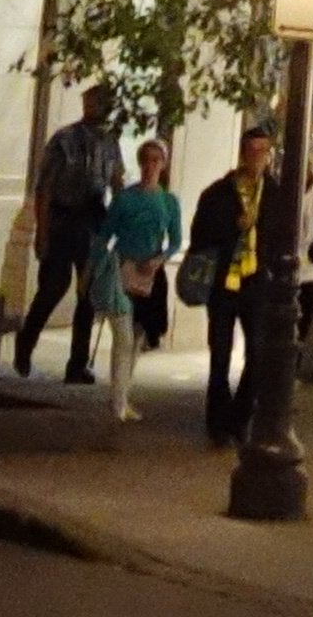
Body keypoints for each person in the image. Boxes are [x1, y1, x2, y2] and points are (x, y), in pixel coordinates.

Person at [14, 81, 122, 382]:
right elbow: (45, 189)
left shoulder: (110, 141)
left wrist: (122, 221)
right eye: (92, 101)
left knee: (87, 294)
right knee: (52, 287)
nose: (96, 107)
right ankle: (26, 341)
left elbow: (116, 182)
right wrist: (42, 232)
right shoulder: (65, 139)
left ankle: (77, 363)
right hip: (63, 220)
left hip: (92, 222)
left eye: (102, 102)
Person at [191, 119, 273, 449]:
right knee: (220, 355)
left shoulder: (277, 194)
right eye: (252, 151)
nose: (257, 158)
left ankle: (240, 418)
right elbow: (200, 238)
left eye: (263, 152)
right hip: (224, 284)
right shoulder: (218, 194)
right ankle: (218, 424)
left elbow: (283, 237)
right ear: (242, 154)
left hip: (257, 283)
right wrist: (233, 227)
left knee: (259, 352)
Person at [98, 132, 184, 422]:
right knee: (122, 337)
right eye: (146, 160)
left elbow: (175, 240)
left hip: (150, 274)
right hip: (122, 269)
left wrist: (159, 260)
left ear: (164, 164)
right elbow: (105, 235)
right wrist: (100, 267)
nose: (151, 166)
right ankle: (117, 402)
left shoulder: (169, 202)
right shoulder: (124, 199)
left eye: (156, 160)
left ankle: (122, 396)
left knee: (135, 338)